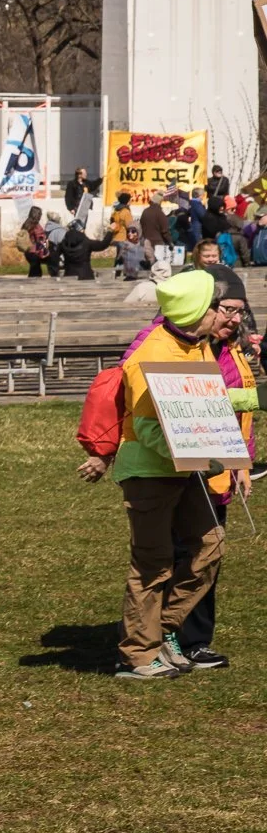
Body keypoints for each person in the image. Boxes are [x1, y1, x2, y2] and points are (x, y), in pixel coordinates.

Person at [86, 270, 241, 677]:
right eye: (211, 306)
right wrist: (202, 452)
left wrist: (250, 399)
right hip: (149, 473)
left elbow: (205, 396)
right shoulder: (151, 355)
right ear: (196, 311)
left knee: (211, 546)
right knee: (153, 563)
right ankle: (137, 655)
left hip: (186, 469)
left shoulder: (196, 345)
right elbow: (148, 426)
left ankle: (163, 632)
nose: (217, 313)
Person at [19, 206, 56, 279]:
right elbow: (41, 240)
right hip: (35, 252)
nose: (41, 216)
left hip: (28, 252)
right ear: (37, 215)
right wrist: (46, 249)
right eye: (40, 214)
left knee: (34, 271)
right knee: (37, 273)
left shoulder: (26, 224)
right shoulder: (36, 226)